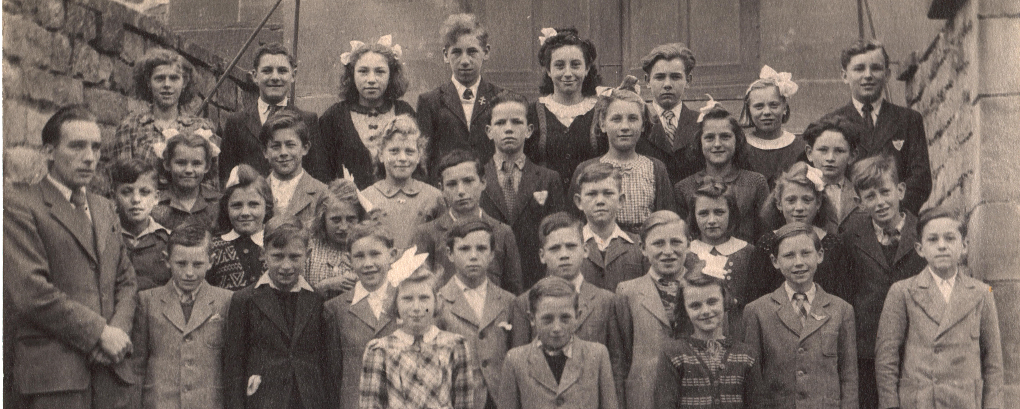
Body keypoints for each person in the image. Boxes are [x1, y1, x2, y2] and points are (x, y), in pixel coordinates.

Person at [5, 106, 137, 408]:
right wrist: (99, 333)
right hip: (56, 380)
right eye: (77, 146)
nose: (90, 157)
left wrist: (116, 333)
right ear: (49, 152)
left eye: (96, 147)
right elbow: (31, 291)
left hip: (111, 373)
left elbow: (126, 280)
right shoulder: (20, 205)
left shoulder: (104, 207)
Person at [875, 207, 1003, 409]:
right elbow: (886, 359)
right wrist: (891, 405)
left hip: (965, 402)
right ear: (920, 249)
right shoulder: (903, 292)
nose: (942, 246)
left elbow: (993, 364)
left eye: (950, 238)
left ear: (964, 245)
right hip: (920, 402)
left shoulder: (981, 293)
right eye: (933, 240)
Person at [508, 212, 627, 401]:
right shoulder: (524, 302)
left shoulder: (606, 301)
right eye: (555, 248)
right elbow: (520, 366)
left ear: (585, 250)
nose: (564, 255)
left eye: (571, 246)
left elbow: (616, 365)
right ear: (542, 255)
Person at [839, 155, 927, 409]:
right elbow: (845, 295)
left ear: (900, 190)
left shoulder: (924, 232)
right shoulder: (850, 239)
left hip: (915, 347)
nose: (880, 202)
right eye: (870, 196)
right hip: (868, 350)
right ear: (859, 202)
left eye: (885, 192)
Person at [743, 222, 858, 409]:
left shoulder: (841, 310)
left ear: (819, 255)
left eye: (806, 253)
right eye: (789, 255)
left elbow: (849, 377)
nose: (798, 262)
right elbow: (754, 382)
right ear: (775, 261)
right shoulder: (757, 311)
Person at [223, 218, 330, 409]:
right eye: (278, 256)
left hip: (308, 401)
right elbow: (234, 365)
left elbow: (326, 361)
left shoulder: (317, 300)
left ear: (308, 255)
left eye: (294, 257)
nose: (286, 266)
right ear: (263, 253)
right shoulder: (245, 300)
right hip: (263, 401)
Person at [131, 224, 233, 409]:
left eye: (198, 264)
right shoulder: (147, 301)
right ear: (166, 260)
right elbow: (137, 366)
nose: (189, 273)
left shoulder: (226, 301)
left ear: (211, 261)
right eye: (181, 263)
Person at [825, 39, 931, 215]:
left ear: (887, 74)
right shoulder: (831, 124)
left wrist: (891, 212)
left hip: (898, 218)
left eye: (875, 68)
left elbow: (921, 180)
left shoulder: (909, 120)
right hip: (849, 221)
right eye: (859, 69)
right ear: (844, 76)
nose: (868, 75)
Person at [479, 91, 565, 290]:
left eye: (516, 122)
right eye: (500, 123)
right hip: (489, 280)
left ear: (529, 130)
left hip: (536, 280)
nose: (509, 129)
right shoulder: (477, 179)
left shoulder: (548, 179)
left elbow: (557, 234)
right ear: (489, 131)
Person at [106, 48, 219, 194]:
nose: (167, 85)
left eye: (174, 78)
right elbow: (121, 182)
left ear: (184, 82)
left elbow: (211, 188)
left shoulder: (201, 128)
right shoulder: (130, 127)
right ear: (148, 82)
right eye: (159, 78)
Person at [497, 276, 619, 409]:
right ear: (532, 318)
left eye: (565, 318)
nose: (557, 328)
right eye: (547, 319)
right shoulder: (515, 360)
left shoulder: (597, 355)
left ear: (577, 316)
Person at [412, 149, 523, 294]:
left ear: (483, 182)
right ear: (441, 189)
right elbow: (418, 288)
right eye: (452, 184)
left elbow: (513, 292)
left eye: (468, 181)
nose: (461, 191)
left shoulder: (502, 232)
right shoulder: (427, 234)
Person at [359, 269, 474, 409]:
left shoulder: (456, 345)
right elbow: (370, 405)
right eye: (407, 299)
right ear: (395, 303)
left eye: (424, 298)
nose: (416, 307)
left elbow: (464, 404)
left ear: (436, 301)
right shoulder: (379, 350)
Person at [571, 85, 678, 233]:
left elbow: (668, 220)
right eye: (616, 119)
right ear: (603, 124)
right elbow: (574, 222)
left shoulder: (656, 168)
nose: (625, 127)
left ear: (643, 125)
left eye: (633, 119)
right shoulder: (585, 169)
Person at [436, 220, 516, 409]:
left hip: (501, 400)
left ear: (492, 254)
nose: (473, 256)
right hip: (459, 400)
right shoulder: (439, 303)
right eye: (464, 249)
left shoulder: (509, 301)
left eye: (481, 248)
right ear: (450, 254)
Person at [317, 35, 414, 188]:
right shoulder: (333, 117)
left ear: (391, 75)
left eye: (380, 72)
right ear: (351, 75)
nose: (371, 79)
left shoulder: (404, 111)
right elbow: (323, 173)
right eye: (363, 71)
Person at [616, 210, 692, 409]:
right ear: (643, 248)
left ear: (689, 244)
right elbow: (622, 357)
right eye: (658, 243)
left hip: (695, 396)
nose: (668, 251)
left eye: (676, 242)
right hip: (645, 397)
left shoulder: (706, 288)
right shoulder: (628, 292)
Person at [751, 162, 853, 303]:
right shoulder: (767, 244)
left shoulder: (832, 245)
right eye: (791, 200)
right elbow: (756, 300)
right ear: (779, 204)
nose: (799, 207)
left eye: (807, 200)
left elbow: (842, 300)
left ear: (818, 203)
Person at [220, 43, 324, 182]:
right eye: (267, 71)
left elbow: (318, 176)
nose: (275, 77)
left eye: (282, 71)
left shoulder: (307, 120)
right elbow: (226, 177)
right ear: (255, 76)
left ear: (293, 75)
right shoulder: (236, 122)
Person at [323, 223, 399, 409]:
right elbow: (333, 372)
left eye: (375, 254)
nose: (368, 263)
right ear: (349, 260)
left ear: (392, 255)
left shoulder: (406, 300)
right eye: (359, 256)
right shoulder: (335, 309)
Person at [418, 13, 505, 176]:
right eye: (456, 52)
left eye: (472, 52)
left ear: (486, 52)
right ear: (446, 55)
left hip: (490, 186)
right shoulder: (430, 102)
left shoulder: (500, 98)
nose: (464, 61)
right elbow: (424, 159)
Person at [654, 274, 759, 409]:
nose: (705, 311)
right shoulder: (673, 354)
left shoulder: (747, 355)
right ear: (685, 309)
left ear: (725, 301)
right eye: (695, 306)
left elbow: (758, 404)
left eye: (712, 302)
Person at [524, 27, 605, 189]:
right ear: (548, 70)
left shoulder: (602, 110)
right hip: (545, 199)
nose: (568, 73)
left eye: (575, 65)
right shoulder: (532, 112)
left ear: (587, 69)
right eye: (559, 66)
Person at [673, 103, 768, 241]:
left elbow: (765, 234)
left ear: (737, 140)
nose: (717, 144)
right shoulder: (683, 188)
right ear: (699, 142)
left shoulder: (755, 183)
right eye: (709, 138)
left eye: (725, 137)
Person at [361, 115, 446, 251]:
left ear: (419, 156)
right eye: (394, 151)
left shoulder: (434, 197)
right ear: (381, 155)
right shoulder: (366, 197)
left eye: (409, 151)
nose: (402, 158)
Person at [686, 181, 756, 340]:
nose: (711, 220)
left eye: (719, 212)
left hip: (738, 332)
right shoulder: (687, 254)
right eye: (703, 213)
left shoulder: (747, 252)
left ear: (731, 213)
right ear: (694, 216)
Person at [573, 163, 646, 292]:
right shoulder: (570, 245)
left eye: (608, 193)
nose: (600, 201)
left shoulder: (638, 246)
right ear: (579, 202)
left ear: (621, 201)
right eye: (591, 194)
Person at [634, 43, 701, 184]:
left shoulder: (701, 122)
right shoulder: (636, 123)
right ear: (647, 81)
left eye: (675, 77)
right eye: (659, 77)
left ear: (688, 80)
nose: (667, 85)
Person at [206, 165, 273, 290]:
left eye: (253, 204)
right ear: (226, 208)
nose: (245, 212)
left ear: (267, 207)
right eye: (237, 205)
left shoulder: (275, 244)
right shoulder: (214, 248)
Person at [738, 66, 805, 187]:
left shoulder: (799, 146)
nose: (767, 112)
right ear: (749, 110)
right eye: (759, 106)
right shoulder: (740, 146)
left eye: (774, 105)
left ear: (784, 108)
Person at [110, 158, 171, 291]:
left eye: (144, 192)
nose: (136, 199)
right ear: (114, 197)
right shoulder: (105, 237)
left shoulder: (168, 240)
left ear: (156, 198)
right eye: (127, 192)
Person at [260, 109, 327, 226]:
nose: (283, 152)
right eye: (275, 146)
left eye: (290, 145)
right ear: (265, 152)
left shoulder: (322, 193)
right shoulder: (257, 192)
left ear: (305, 148)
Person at [151, 129, 222, 231]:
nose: (188, 170)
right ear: (167, 164)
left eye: (196, 164)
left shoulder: (218, 202)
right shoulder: (155, 203)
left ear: (207, 166)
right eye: (181, 163)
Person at [305, 179, 365, 296]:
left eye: (350, 219)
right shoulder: (310, 249)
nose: (343, 227)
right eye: (336, 220)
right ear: (323, 218)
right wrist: (325, 286)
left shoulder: (367, 250)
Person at [802, 116, 862, 231]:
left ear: (852, 156)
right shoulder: (799, 190)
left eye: (839, 151)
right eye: (823, 150)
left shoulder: (859, 192)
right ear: (809, 153)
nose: (830, 158)